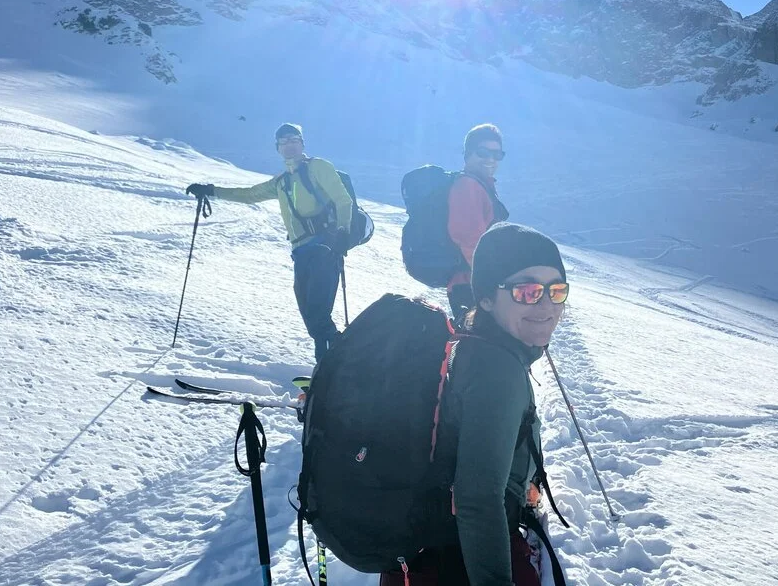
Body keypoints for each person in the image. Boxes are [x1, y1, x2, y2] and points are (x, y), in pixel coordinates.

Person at [382, 222, 570, 586]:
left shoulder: (473, 342)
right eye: (527, 291)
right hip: (457, 558)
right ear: (486, 297)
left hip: (429, 548)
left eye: (556, 290)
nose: (547, 305)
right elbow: (477, 501)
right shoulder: (497, 371)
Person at [186, 123, 352, 361]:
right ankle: (330, 369)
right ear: (278, 148)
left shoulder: (318, 167)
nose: (289, 146)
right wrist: (210, 190)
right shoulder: (282, 182)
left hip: (324, 247)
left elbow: (342, 199)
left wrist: (343, 233)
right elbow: (249, 195)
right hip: (301, 253)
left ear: (302, 144)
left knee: (318, 315)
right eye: (283, 142)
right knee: (312, 318)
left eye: (294, 140)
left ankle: (336, 369)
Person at [447, 124, 509, 325]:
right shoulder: (468, 187)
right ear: (468, 154)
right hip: (473, 286)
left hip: (476, 283)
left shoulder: (482, 186)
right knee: (482, 350)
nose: (490, 159)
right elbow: (471, 240)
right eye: (483, 152)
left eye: (497, 154)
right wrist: (493, 285)